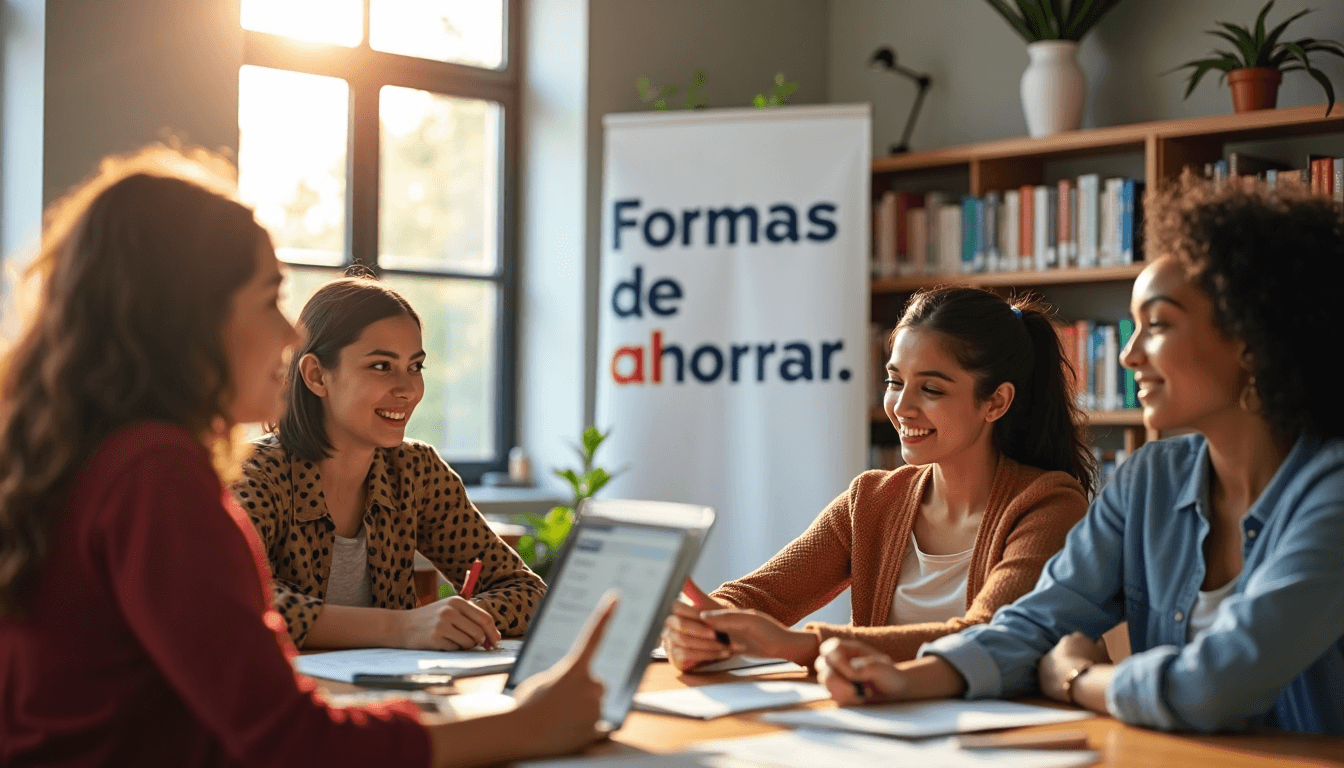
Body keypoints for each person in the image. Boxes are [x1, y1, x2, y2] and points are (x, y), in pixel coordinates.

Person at [0, 146, 612, 766]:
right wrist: (531, 727)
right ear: (188, 318)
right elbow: (291, 743)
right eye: (270, 300)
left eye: (415, 366)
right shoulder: (156, 471)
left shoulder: (86, 456)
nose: (290, 335)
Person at [816, 176, 1344, 735]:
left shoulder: (1331, 493)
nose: (1128, 353)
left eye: (1158, 325)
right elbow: (1039, 620)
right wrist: (905, 680)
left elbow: (1212, 687)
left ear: (1252, 337)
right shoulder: (1149, 481)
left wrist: (1076, 679)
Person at [661, 286, 1094, 671]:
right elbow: (761, 595)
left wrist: (801, 645)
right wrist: (701, 626)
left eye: (931, 389)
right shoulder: (872, 500)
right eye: (895, 381)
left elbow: (983, 637)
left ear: (996, 401)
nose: (901, 407)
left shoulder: (1049, 505)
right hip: (883, 730)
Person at [232, 268, 544, 651]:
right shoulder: (256, 473)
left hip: (391, 695)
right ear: (316, 376)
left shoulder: (417, 470)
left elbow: (526, 589)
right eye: (381, 366)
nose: (409, 389)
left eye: (415, 366)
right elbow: (238, 599)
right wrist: (403, 627)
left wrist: (458, 620)